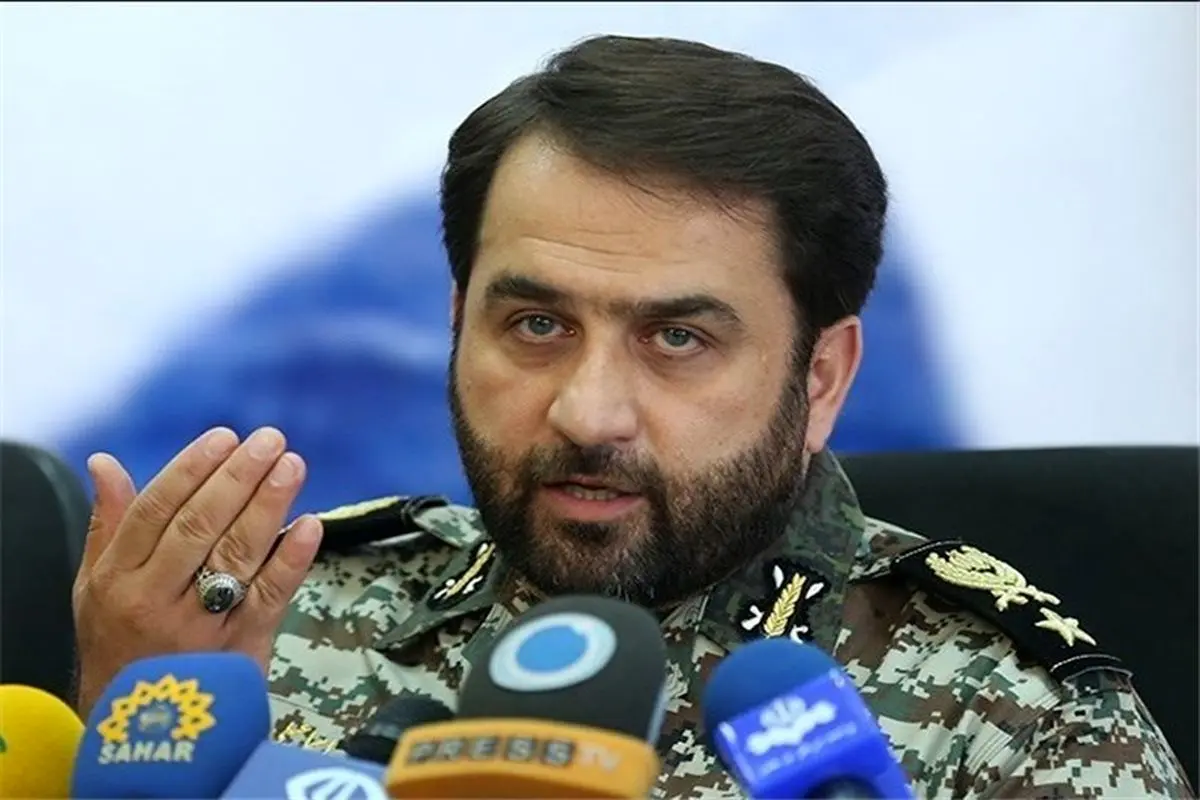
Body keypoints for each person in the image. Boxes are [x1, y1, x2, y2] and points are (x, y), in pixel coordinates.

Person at [71, 35, 1193, 799]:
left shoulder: (1009, 723)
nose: (588, 410)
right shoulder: (271, 630)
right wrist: (122, 732)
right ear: (459, 322)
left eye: (678, 338)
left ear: (821, 377)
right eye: (536, 324)